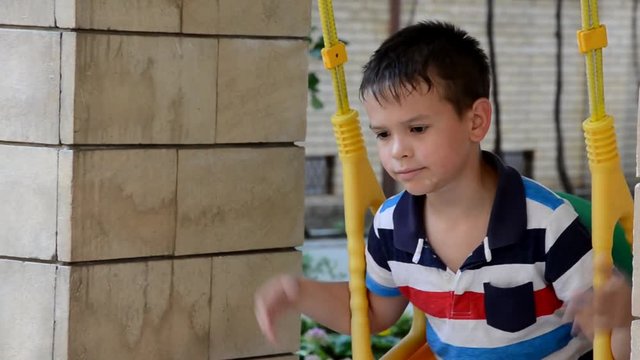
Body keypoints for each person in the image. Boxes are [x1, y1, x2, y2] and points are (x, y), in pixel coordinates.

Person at [254, 21, 632, 359]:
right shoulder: (390, 226)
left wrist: (619, 313)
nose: (397, 149)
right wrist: (297, 292)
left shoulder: (546, 224)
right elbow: (371, 313)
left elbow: (609, 336)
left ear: (476, 121)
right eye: (383, 134)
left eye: (417, 129)